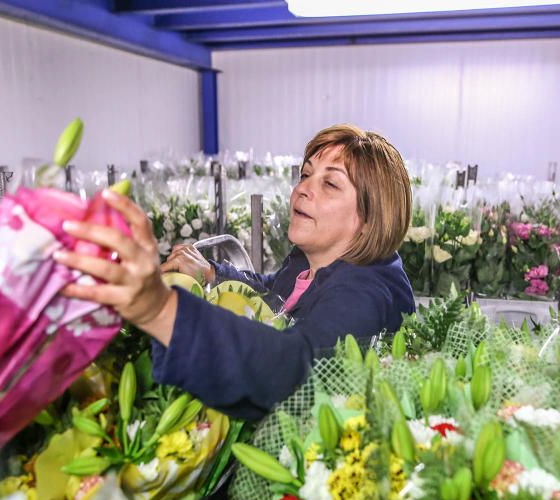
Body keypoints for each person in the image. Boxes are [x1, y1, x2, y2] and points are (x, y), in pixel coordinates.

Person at [53, 124, 415, 421]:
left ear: (369, 220)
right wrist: (212, 272)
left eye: (330, 183)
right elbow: (274, 292)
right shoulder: (310, 263)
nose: (303, 189)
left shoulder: (365, 293)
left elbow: (293, 371)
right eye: (305, 175)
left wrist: (161, 311)